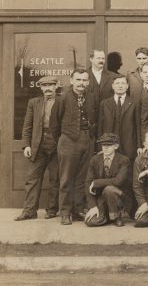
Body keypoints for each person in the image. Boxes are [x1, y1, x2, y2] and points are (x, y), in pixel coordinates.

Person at [52, 68, 100, 224]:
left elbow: (95, 119)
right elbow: (54, 123)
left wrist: (90, 138)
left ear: (88, 82)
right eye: (78, 80)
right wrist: (63, 139)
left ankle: (78, 209)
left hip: (87, 140)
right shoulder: (62, 98)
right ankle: (65, 211)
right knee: (66, 177)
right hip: (68, 140)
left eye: (85, 80)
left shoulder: (92, 97)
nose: (81, 83)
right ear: (72, 80)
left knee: (82, 178)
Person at [16, 75, 61, 221]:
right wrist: (26, 145)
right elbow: (27, 125)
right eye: (44, 85)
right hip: (38, 146)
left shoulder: (63, 101)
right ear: (41, 87)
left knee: (56, 179)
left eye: (50, 85)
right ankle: (29, 211)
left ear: (56, 86)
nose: (47, 88)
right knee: (32, 179)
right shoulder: (34, 102)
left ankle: (52, 210)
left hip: (57, 146)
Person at [83, 133, 130, 227]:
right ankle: (107, 216)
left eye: (109, 145)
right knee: (91, 222)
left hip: (119, 196)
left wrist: (97, 182)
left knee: (109, 189)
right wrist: (93, 207)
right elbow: (88, 183)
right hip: (101, 198)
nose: (105, 148)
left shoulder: (124, 160)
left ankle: (117, 216)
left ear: (116, 146)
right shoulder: (95, 159)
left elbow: (118, 181)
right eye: (103, 145)